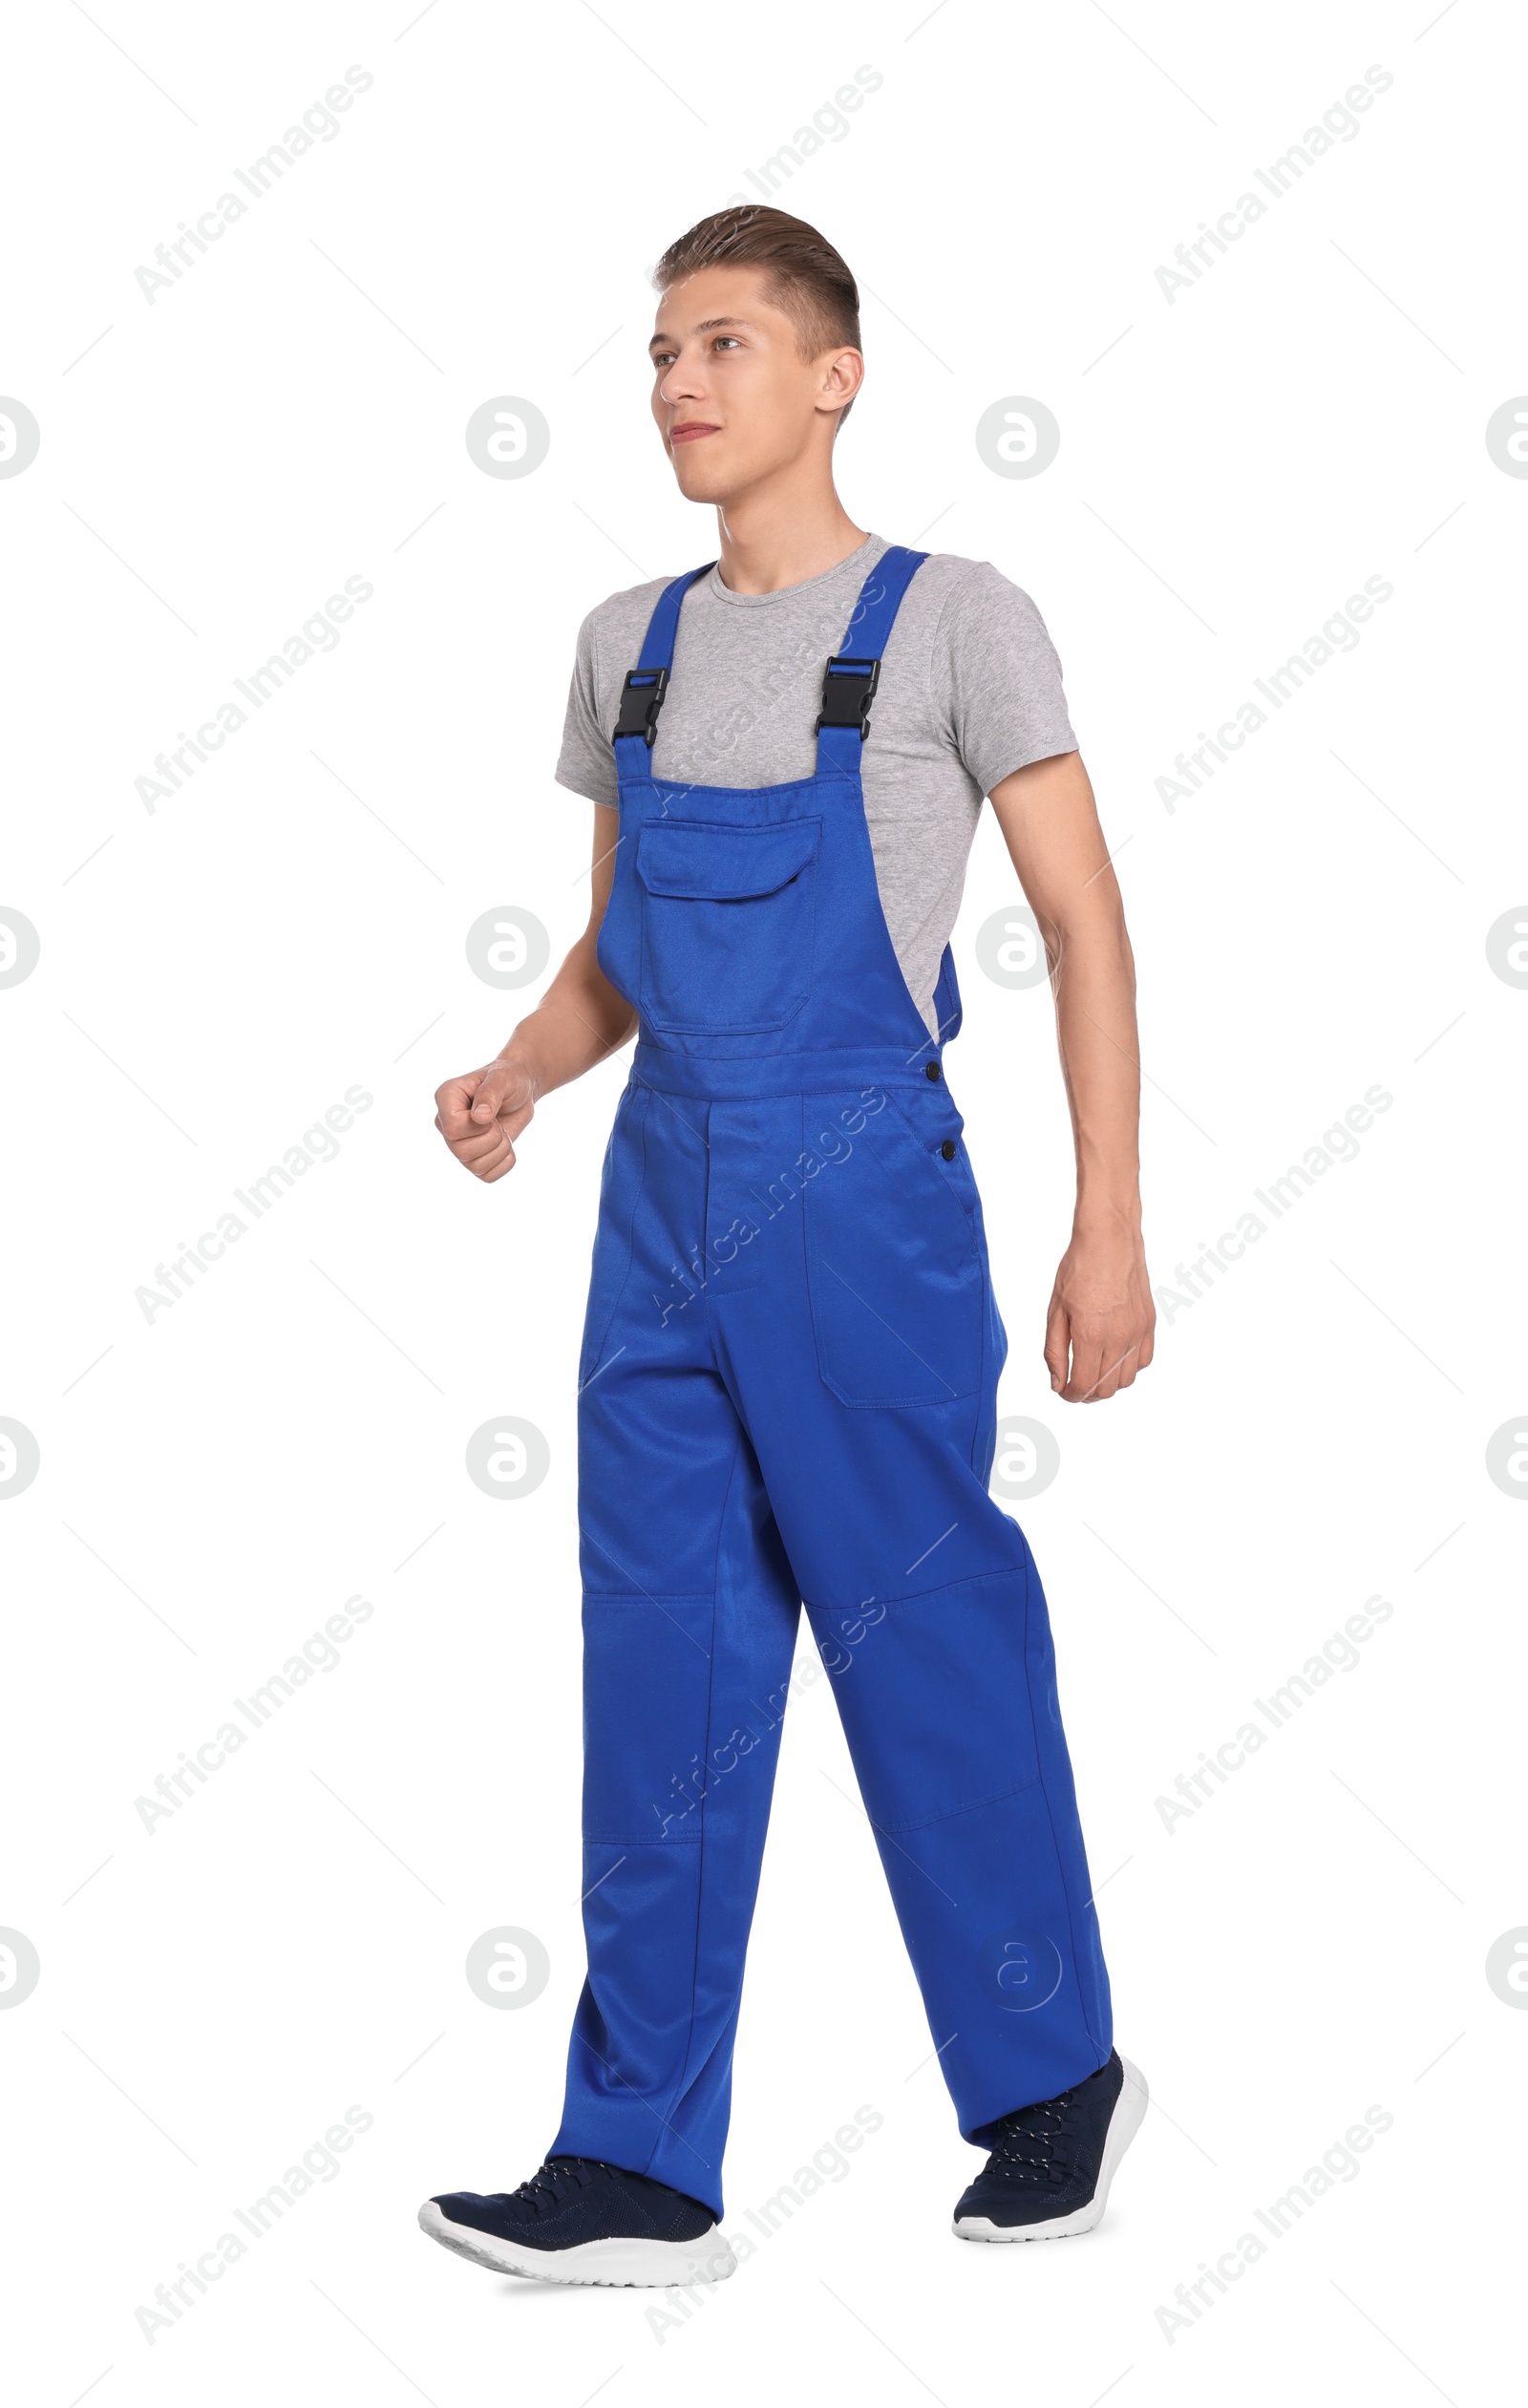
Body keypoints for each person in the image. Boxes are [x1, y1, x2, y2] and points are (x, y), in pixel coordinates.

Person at [421, 206, 1155, 2290]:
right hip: (653, 1201)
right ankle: (639, 2163)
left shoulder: (951, 621)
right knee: (656, 1666)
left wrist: (1107, 1222)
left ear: (832, 372)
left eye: (722, 343)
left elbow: (1085, 923)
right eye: (657, 351)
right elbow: (615, 955)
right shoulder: (622, 644)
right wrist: (517, 1073)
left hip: (857, 1194)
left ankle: (1046, 2089)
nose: (675, 382)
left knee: (918, 1634)